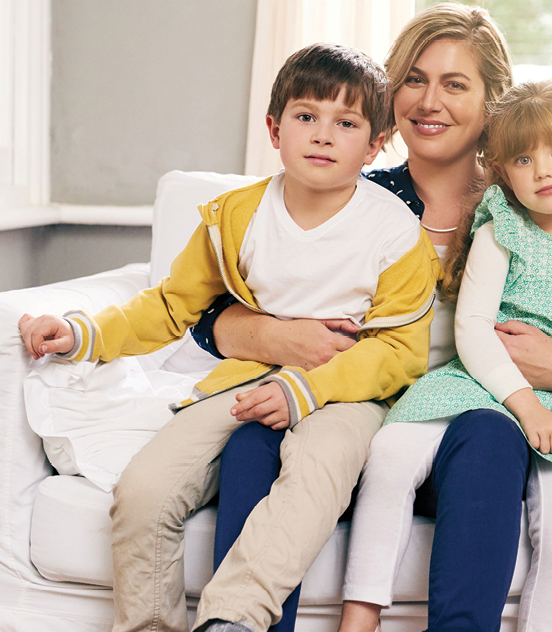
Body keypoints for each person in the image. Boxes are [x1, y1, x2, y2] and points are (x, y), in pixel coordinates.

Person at [200, 3, 552, 632]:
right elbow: (211, 312)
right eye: (414, 79)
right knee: (253, 440)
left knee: (489, 436)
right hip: (345, 415)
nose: (429, 101)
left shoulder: (528, 207)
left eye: (455, 84)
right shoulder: (348, 190)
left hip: (463, 435)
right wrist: (274, 334)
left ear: (493, 103)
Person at [17, 42, 441, 632]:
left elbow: (399, 352)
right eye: (305, 117)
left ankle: (233, 620)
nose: (322, 135)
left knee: (317, 472)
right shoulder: (233, 216)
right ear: (274, 127)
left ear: (373, 145)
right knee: (143, 491)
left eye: (345, 124)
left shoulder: (396, 231)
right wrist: (81, 333)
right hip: (241, 381)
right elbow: (168, 307)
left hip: (344, 395)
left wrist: (303, 391)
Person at [339, 78, 552, 632]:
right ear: (503, 171)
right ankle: (359, 616)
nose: (544, 171)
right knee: (390, 454)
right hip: (481, 385)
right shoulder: (500, 230)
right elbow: (474, 327)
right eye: (523, 159)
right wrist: (527, 407)